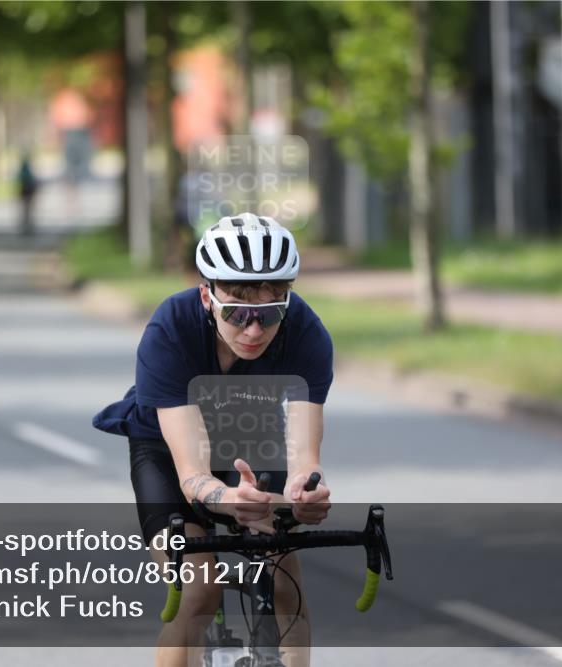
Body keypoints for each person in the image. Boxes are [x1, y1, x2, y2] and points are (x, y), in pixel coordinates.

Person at [93, 213, 333, 667]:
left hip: (249, 438)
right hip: (167, 448)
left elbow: (305, 457)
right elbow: (192, 475)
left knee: (286, 582)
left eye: (269, 314)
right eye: (237, 313)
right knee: (200, 589)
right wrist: (226, 500)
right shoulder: (170, 330)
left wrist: (307, 491)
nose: (254, 330)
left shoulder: (306, 333)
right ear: (207, 295)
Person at [17, 152, 39, 236]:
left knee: (25, 211)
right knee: (28, 210)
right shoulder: (28, 171)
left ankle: (26, 226)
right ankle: (28, 226)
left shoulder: (23, 171)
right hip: (28, 192)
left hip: (25, 192)